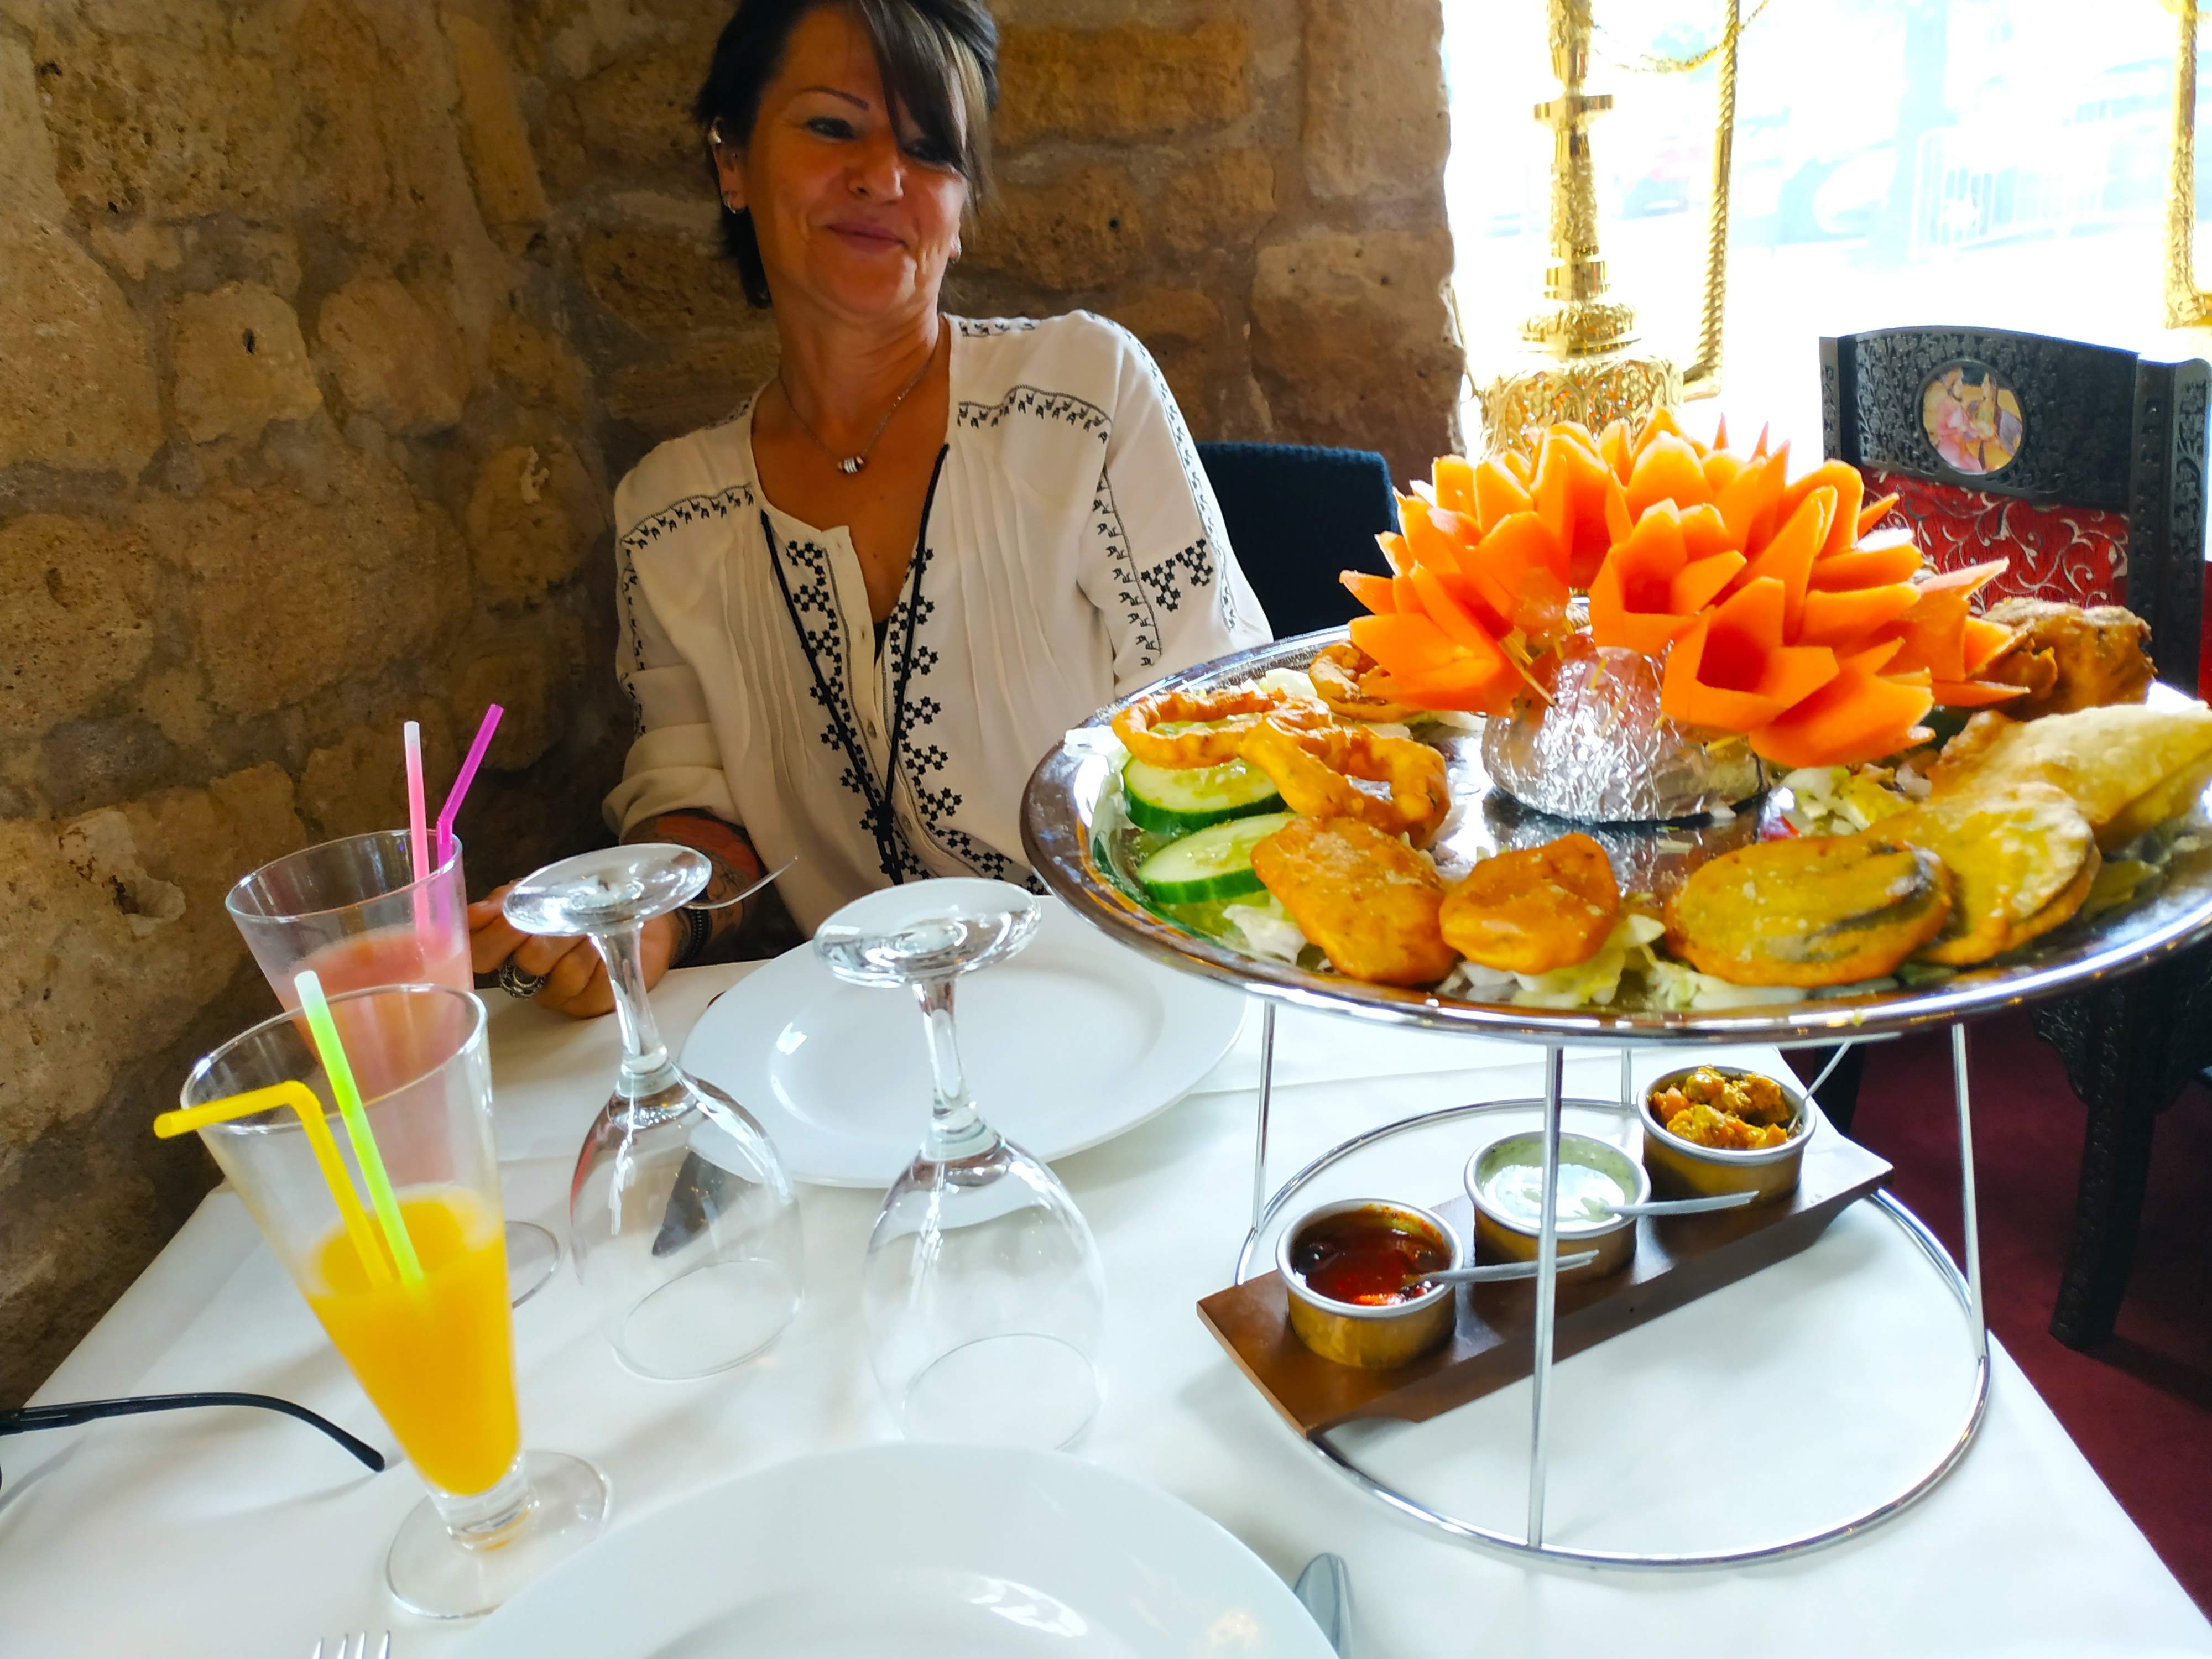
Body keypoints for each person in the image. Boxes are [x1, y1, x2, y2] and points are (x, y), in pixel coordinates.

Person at [469, 0, 1270, 1016]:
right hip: (861, 1045)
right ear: (731, 162)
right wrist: (645, 917)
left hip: (1139, 998)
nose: (885, 178)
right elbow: (701, 813)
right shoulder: (669, 515)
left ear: (961, 206)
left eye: (931, 150)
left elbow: (1221, 730)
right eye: (832, 126)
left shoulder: (1083, 397)